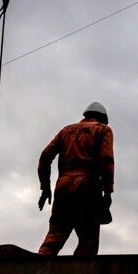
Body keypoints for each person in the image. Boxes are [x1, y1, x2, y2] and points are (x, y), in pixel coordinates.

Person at [37, 101, 114, 256]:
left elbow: (45, 156)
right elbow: (106, 159)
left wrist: (46, 187)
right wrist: (108, 192)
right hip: (88, 186)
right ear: (103, 118)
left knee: (53, 238)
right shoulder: (103, 130)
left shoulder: (65, 131)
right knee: (88, 241)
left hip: (63, 187)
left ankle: (34, 273)